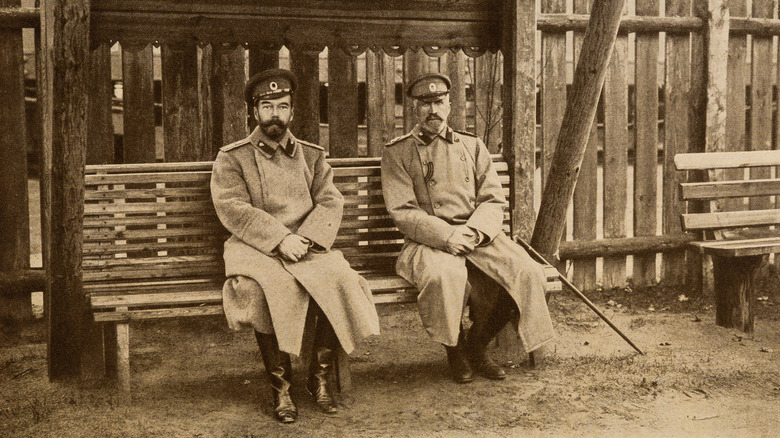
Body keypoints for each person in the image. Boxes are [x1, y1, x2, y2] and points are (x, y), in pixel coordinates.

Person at [210, 68, 380, 423]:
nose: (276, 115)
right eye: (268, 107)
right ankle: (281, 389)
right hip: (254, 246)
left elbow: (331, 201)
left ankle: (317, 380)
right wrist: (279, 239)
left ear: (292, 112)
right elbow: (233, 207)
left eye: (283, 107)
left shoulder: (312, 155)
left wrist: (306, 238)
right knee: (269, 289)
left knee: (341, 280)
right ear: (254, 113)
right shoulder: (233, 157)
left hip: (307, 244)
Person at [381, 73, 555, 384]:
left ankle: (477, 344)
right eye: (425, 104)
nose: (433, 110)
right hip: (429, 240)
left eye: (438, 102)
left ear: (449, 104)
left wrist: (473, 232)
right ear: (414, 110)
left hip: (478, 236)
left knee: (527, 273)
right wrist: (447, 236)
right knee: (443, 277)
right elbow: (403, 211)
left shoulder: (472, 146)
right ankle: (455, 349)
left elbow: (492, 199)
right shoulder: (398, 152)